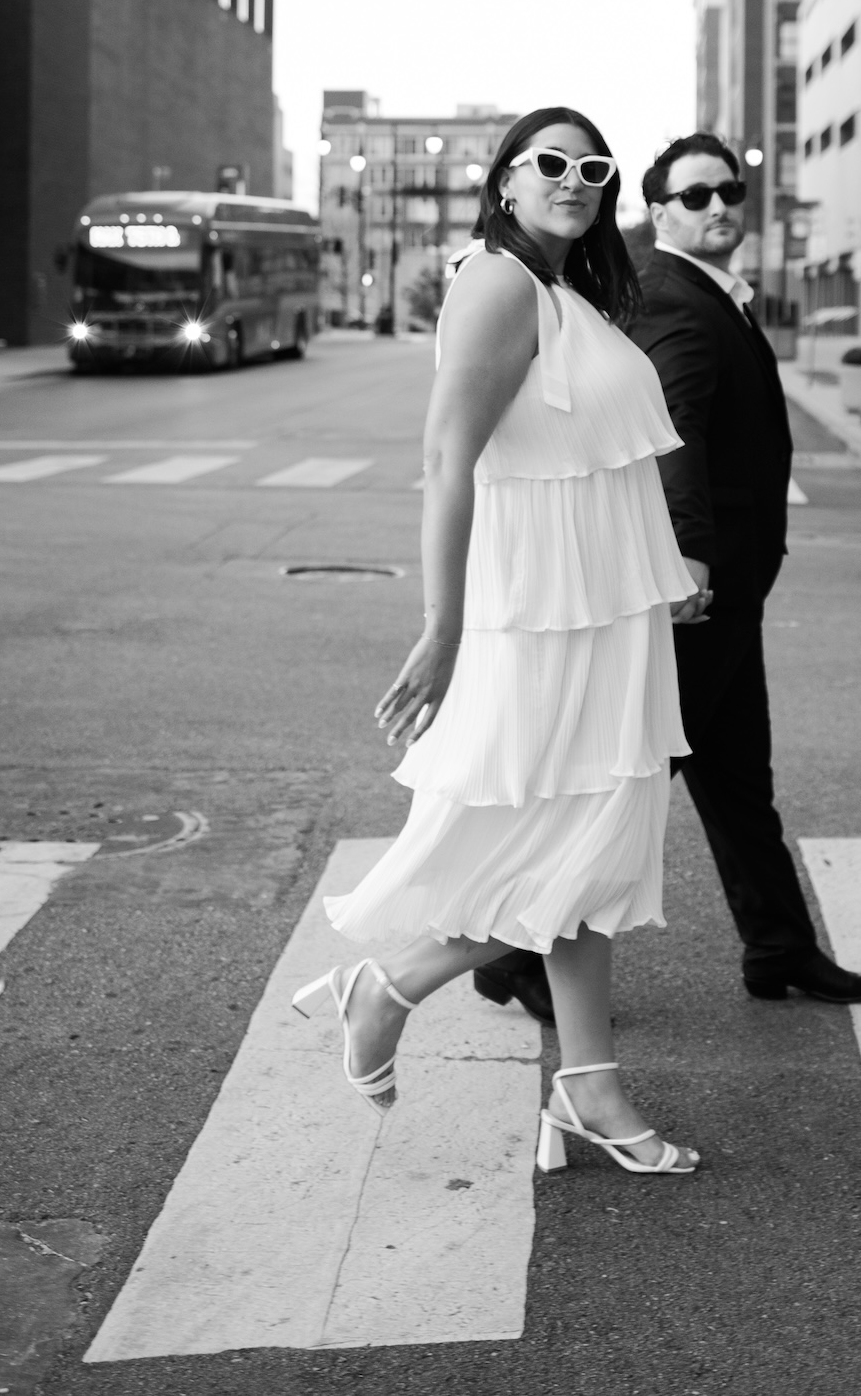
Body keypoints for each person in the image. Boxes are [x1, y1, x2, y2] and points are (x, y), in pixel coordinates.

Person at [294, 107, 705, 1175]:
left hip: (602, 614)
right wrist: (443, 627)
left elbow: (591, 462)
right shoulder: (497, 281)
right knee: (572, 849)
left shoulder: (567, 292)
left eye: (594, 167)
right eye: (551, 162)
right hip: (535, 620)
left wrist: (655, 578)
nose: (575, 179)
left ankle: (589, 1087)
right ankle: (391, 984)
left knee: (593, 844)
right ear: (507, 182)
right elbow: (448, 460)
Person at [478, 130, 861, 1013]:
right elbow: (677, 428)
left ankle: (779, 947)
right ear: (658, 212)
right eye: (695, 196)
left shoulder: (708, 294)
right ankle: (514, 952)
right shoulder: (672, 296)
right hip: (697, 590)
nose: (718, 207)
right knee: (624, 792)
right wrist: (690, 551)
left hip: (730, 588)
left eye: (729, 191)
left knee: (739, 783)